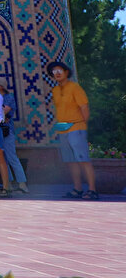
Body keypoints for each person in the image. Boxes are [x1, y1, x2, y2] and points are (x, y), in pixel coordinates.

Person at [48, 61, 98, 200]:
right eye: (54, 71)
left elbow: (84, 108)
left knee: (83, 159)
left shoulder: (75, 88)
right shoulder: (55, 91)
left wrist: (82, 125)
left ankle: (92, 190)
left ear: (66, 72)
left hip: (76, 127)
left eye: (59, 70)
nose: (57, 73)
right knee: (71, 161)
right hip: (63, 128)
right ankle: (77, 189)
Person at [0, 91, 29, 194]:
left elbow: (4, 111)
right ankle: (8, 184)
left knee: (12, 157)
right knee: (2, 159)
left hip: (7, 131)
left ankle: (22, 184)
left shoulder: (8, 98)